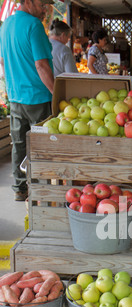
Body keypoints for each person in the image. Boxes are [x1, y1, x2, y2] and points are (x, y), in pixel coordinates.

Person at [0, 0, 55, 201]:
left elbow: (3, 61)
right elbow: (41, 65)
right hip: (37, 98)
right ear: (29, 2)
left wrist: (11, 87)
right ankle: (42, 189)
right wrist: (55, 93)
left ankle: (20, 189)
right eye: (42, 5)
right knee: (41, 145)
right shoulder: (33, 26)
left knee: (19, 144)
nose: (44, 10)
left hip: (15, 98)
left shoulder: (6, 24)